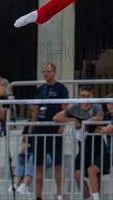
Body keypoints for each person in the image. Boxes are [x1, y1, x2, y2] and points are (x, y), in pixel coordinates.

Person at [53, 86, 105, 200]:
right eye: (82, 96)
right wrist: (74, 120)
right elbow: (56, 118)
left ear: (92, 97)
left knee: (95, 173)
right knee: (77, 174)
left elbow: (100, 117)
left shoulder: (96, 106)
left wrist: (86, 121)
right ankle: (87, 198)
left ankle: (97, 197)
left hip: (98, 145)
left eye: (88, 96)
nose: (85, 99)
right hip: (83, 147)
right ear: (78, 96)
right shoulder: (75, 108)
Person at [30, 62, 69, 200]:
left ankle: (59, 194)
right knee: (38, 165)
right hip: (39, 130)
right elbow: (35, 110)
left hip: (54, 130)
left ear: (54, 72)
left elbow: (65, 108)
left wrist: (62, 127)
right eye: (44, 71)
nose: (45, 73)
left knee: (58, 164)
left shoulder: (61, 88)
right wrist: (31, 128)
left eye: (48, 71)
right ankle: (38, 196)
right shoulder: (40, 89)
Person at [88, 94, 113, 200]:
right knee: (91, 170)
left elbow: (106, 130)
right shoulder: (107, 115)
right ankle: (96, 198)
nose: (110, 106)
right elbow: (99, 130)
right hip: (109, 151)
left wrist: (105, 129)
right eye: (109, 103)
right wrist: (105, 129)